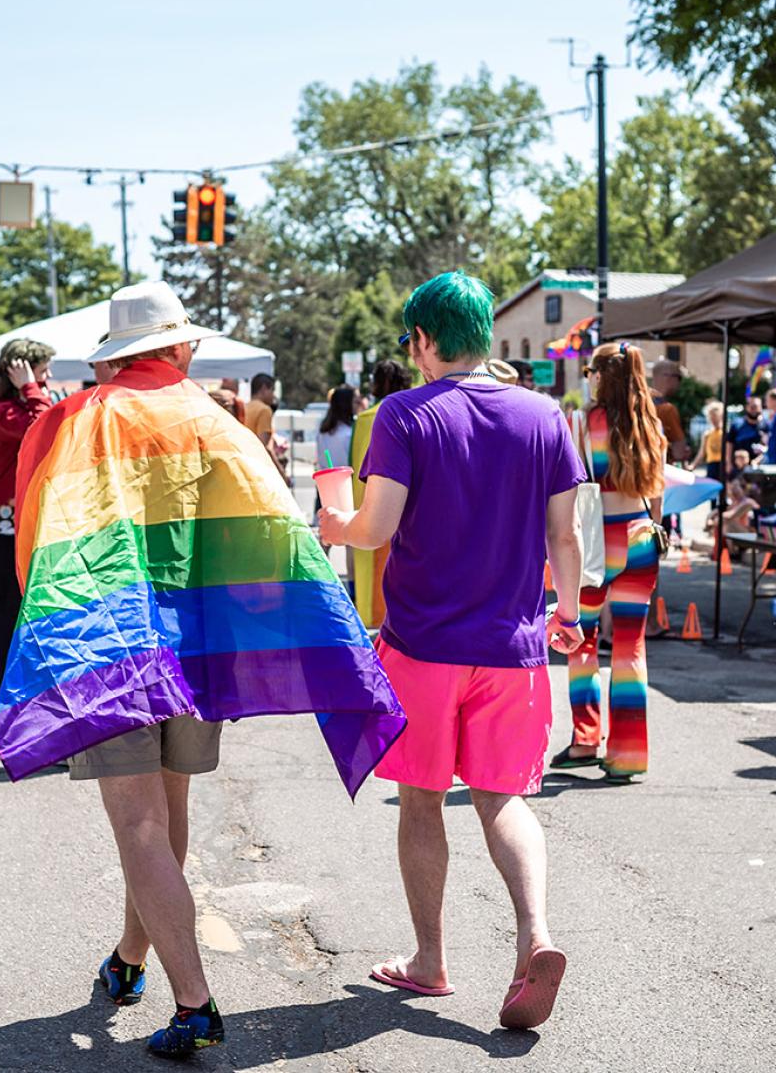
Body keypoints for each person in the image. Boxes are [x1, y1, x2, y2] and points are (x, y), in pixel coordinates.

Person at [0, 281, 404, 1058]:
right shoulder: (217, 422)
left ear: (118, 355)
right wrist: (312, 630)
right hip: (197, 652)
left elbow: (35, 532)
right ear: (179, 348)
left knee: (138, 824)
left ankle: (196, 1005)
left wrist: (46, 632)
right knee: (165, 818)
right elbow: (273, 532)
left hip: (110, 645)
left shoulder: (77, 418)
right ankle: (130, 958)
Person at [321, 271, 585, 1031]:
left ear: (426, 341)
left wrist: (335, 524)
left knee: (422, 800)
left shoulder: (404, 416)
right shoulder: (545, 417)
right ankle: (535, 933)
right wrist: (567, 614)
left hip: (423, 644)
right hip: (516, 648)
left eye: (412, 339)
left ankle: (430, 961)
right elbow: (564, 536)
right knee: (502, 799)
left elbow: (375, 528)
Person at [550, 342, 665, 782]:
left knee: (581, 640)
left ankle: (585, 740)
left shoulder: (580, 423)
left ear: (600, 376)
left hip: (595, 542)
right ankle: (628, 754)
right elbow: (656, 493)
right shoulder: (650, 424)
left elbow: (568, 487)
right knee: (630, 645)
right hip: (639, 537)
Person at [0, 339, 54, 757]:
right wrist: (30, 388)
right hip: (6, 526)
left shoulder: (18, 408)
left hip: (20, 524)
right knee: (7, 619)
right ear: (18, 370)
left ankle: (17, 715)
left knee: (25, 620)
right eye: (43, 369)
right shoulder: (3, 412)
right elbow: (43, 424)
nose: (48, 378)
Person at [350, 360, 414, 628]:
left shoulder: (366, 419)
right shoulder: (415, 411)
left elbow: (355, 467)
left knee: (370, 591)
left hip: (365, 507)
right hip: (407, 510)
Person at [649, 359, 690, 463]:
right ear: (668, 377)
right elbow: (679, 453)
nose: (679, 383)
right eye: (679, 378)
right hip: (656, 471)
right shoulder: (667, 409)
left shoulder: (638, 403)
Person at [315, 385, 358, 471]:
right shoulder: (350, 435)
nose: (358, 405)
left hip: (327, 481)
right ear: (347, 404)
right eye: (356, 402)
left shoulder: (322, 432)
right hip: (347, 481)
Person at [691, 401, 725, 480]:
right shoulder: (707, 434)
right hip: (712, 466)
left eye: (715, 416)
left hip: (722, 465)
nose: (713, 420)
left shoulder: (725, 433)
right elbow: (701, 453)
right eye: (711, 417)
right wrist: (693, 465)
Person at [727, 394, 765, 459]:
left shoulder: (766, 425)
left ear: (761, 408)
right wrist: (728, 463)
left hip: (760, 465)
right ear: (747, 407)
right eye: (751, 407)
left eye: (756, 407)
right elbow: (729, 444)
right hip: (739, 466)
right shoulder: (737, 424)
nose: (754, 410)